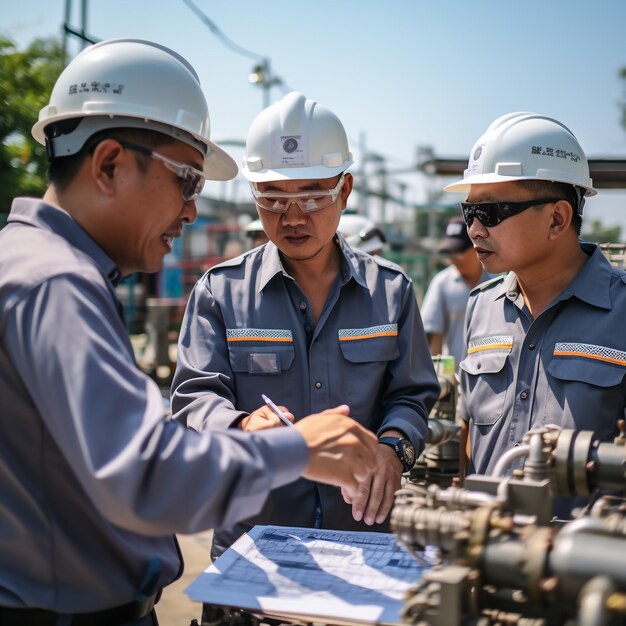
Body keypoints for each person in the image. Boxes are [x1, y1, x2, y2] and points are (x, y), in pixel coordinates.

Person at [0, 39, 379, 625]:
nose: (192, 211)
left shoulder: (27, 264)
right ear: (108, 166)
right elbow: (147, 474)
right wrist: (298, 448)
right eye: (187, 181)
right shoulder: (56, 283)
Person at [171, 91, 439, 561]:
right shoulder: (219, 293)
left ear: (346, 190)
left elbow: (411, 395)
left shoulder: (391, 292)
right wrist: (242, 424)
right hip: (253, 547)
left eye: (313, 197)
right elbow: (194, 399)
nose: (291, 217)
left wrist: (393, 450)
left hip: (364, 540)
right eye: (272, 198)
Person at [444, 112, 625, 513]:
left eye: (489, 212)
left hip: (582, 565)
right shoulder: (481, 307)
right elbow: (468, 435)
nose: (474, 229)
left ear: (558, 218)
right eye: (468, 211)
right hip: (483, 553)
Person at [420, 215, 493, 369]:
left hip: (492, 377)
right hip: (454, 379)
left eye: (458, 252)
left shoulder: (497, 283)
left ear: (476, 247)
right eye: (450, 253)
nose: (454, 259)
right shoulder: (442, 283)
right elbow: (433, 337)